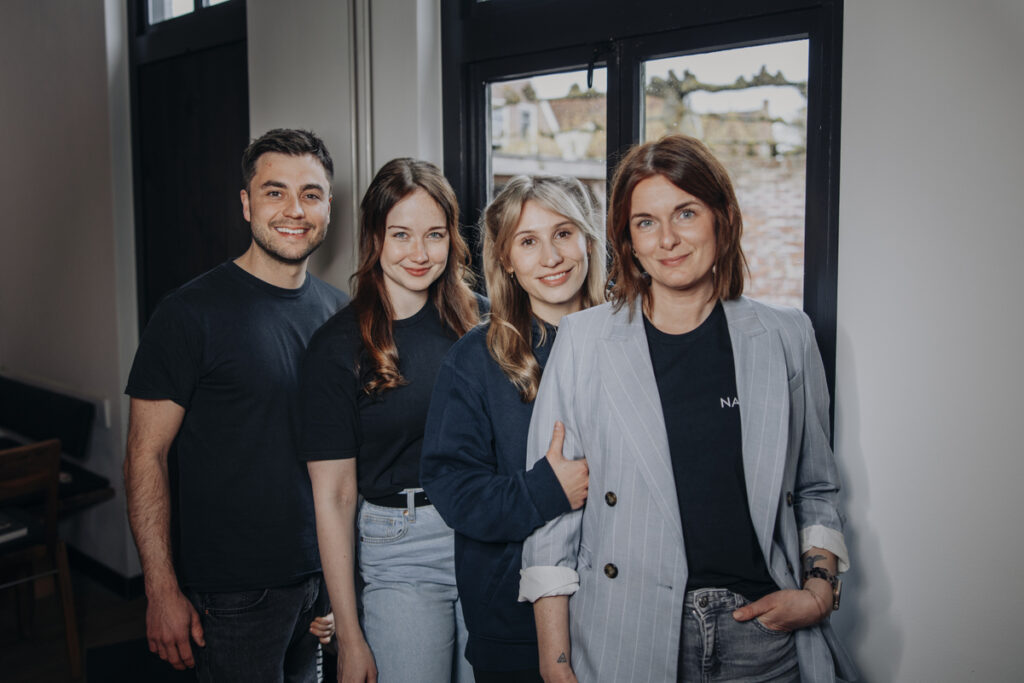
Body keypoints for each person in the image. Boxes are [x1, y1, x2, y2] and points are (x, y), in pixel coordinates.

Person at [518, 135, 858, 683]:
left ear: (722, 218)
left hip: (764, 638)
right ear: (627, 240)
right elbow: (554, 515)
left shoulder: (786, 336)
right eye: (646, 222)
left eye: (685, 213)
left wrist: (820, 592)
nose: (668, 239)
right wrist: (556, 663)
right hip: (625, 632)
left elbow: (816, 488)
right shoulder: (584, 340)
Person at [123, 129, 348, 681]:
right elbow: (144, 456)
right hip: (233, 598)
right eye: (275, 193)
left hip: (320, 582)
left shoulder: (340, 313)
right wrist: (160, 589)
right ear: (246, 204)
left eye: (311, 194)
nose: (295, 210)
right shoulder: (188, 314)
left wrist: (344, 585)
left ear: (328, 207)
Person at [299, 158, 484, 683]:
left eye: (435, 234)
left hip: (487, 537)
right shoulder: (337, 347)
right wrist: (350, 636)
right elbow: (333, 496)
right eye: (401, 234)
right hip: (400, 548)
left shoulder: (486, 325)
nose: (420, 253)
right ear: (375, 238)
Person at [420, 175, 604, 682]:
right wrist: (547, 489)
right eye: (528, 242)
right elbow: (453, 489)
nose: (551, 256)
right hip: (513, 620)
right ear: (506, 260)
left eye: (564, 233)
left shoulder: (631, 342)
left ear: (588, 240)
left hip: (619, 610)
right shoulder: (475, 359)